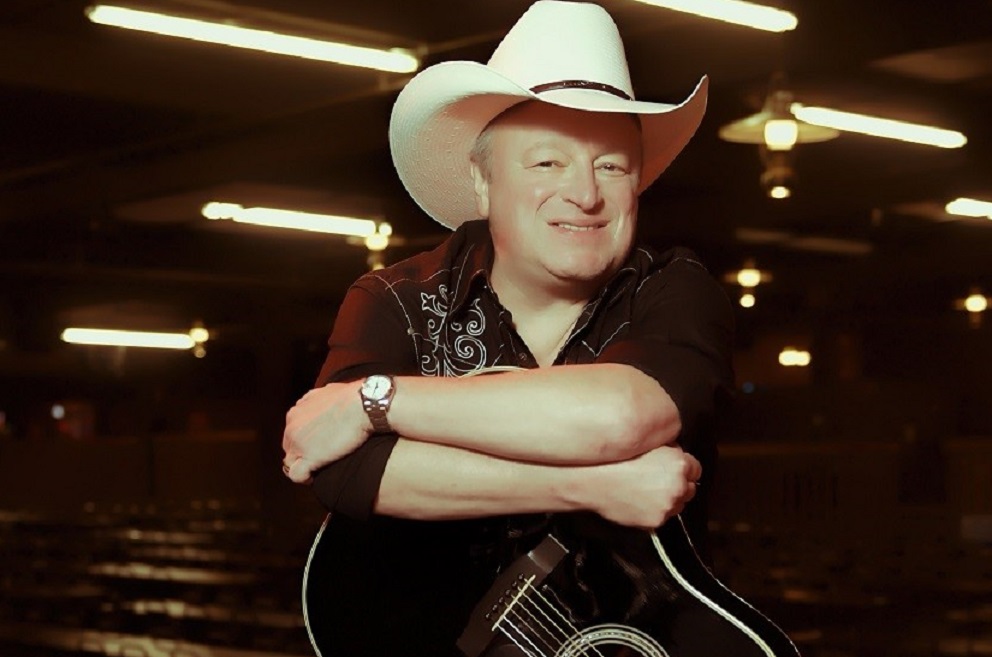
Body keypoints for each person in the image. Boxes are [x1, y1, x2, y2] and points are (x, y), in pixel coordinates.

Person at [282, 0, 730, 540]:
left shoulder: (674, 288)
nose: (586, 194)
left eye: (611, 166)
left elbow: (621, 418)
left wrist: (373, 402)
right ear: (483, 181)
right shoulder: (395, 299)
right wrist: (591, 487)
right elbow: (341, 469)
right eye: (548, 162)